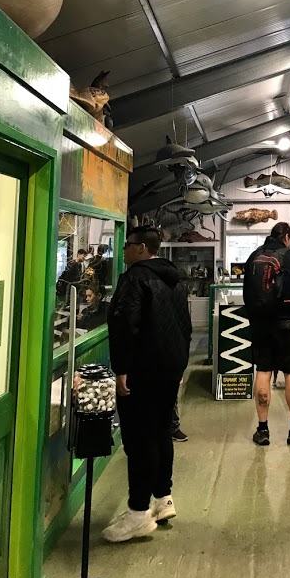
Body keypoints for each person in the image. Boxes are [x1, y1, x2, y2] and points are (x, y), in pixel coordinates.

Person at [103, 226, 191, 543]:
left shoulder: (135, 279)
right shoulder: (175, 279)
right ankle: (163, 499)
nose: (123, 250)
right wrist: (179, 364)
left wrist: (121, 368)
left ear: (141, 248)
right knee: (161, 432)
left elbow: (125, 324)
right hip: (168, 370)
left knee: (140, 440)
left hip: (141, 371)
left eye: (127, 245)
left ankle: (138, 513)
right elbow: (185, 326)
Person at [243, 221, 290, 447]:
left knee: (263, 370)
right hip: (287, 323)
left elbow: (246, 292)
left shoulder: (254, 256)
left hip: (260, 324)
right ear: (287, 237)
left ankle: (262, 430)